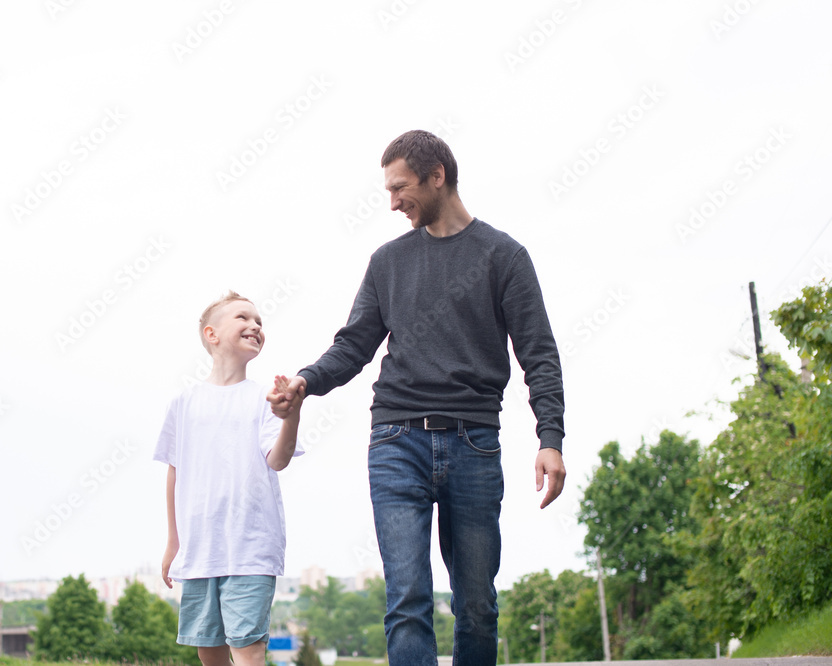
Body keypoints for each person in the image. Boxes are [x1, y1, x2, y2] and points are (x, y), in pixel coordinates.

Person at [268, 130, 566, 664]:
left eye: (400, 187)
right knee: (407, 599)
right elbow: (354, 343)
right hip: (396, 440)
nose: (392, 202)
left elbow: (539, 355)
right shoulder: (388, 262)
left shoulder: (504, 256)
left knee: (476, 605)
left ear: (437, 176)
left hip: (474, 443)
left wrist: (550, 438)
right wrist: (306, 382)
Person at [156, 291, 304, 666]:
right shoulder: (184, 403)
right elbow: (175, 475)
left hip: (250, 548)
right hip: (200, 551)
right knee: (210, 651)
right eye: (243, 318)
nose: (255, 326)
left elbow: (279, 460)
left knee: (248, 648)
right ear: (212, 334)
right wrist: (173, 543)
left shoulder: (265, 399)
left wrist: (291, 414)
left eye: (259, 322)